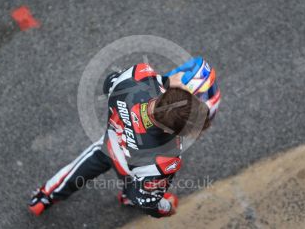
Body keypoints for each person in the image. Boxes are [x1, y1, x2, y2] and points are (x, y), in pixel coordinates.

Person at [28, 57, 220, 217]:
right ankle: (127, 197)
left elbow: (109, 82)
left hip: (109, 145)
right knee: (139, 186)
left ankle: (44, 196)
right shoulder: (166, 158)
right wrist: (167, 208)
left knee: (77, 169)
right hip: (134, 167)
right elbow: (148, 202)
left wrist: (164, 81)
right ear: (172, 131)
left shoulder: (135, 80)